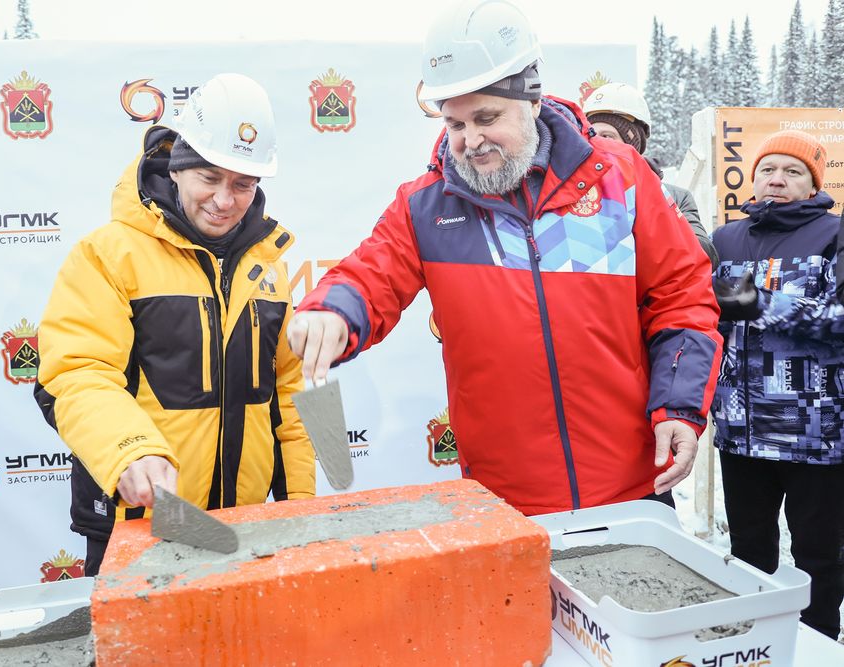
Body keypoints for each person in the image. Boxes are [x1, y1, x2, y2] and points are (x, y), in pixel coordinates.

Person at [287, 0, 721, 516]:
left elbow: (682, 296)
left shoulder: (621, 180)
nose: (470, 141)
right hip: (506, 505)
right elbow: (370, 274)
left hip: (632, 490)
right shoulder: (427, 206)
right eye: (455, 124)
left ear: (532, 99)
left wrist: (679, 405)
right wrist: (334, 310)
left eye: (487, 117)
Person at [35, 73, 315, 575]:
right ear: (178, 167)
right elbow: (76, 375)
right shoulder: (108, 254)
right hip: (140, 526)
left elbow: (288, 397)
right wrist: (129, 452)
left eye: (242, 184)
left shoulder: (268, 267)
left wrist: (301, 508)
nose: (224, 200)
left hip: (240, 529)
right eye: (209, 178)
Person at [710, 129, 844, 639]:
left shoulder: (834, 234)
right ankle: (753, 640)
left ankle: (816, 642)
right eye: (768, 169)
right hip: (741, 429)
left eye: (792, 172)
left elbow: (839, 318)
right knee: (748, 549)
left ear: (813, 184)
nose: (777, 180)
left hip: (816, 434)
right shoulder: (725, 239)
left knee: (818, 555)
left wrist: (753, 302)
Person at [582, 82, 719, 269]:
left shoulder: (676, 197)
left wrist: (651, 193)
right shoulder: (580, 197)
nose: (598, 144)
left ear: (633, 144)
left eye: (607, 137)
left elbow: (704, 254)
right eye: (592, 136)